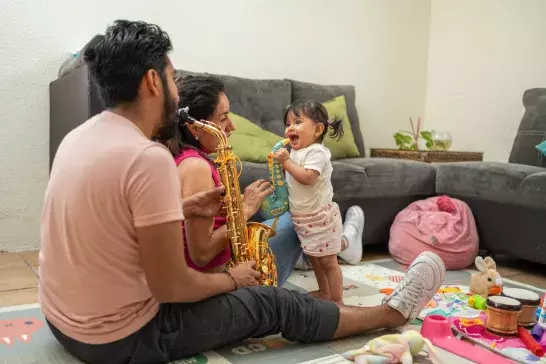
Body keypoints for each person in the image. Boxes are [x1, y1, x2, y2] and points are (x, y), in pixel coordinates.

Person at [39, 19, 447, 364]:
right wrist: (234, 280)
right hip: (119, 339)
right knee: (273, 301)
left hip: (62, 323)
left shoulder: (79, 138)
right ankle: (391, 314)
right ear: (151, 81)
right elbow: (171, 288)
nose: (175, 94)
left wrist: (181, 208)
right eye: (170, 78)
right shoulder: (147, 157)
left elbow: (108, 219)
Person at [158, 74, 364, 284]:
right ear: (195, 128)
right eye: (223, 118)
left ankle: (320, 252)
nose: (231, 127)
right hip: (224, 278)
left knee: (295, 220)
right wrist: (246, 209)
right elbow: (201, 255)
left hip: (225, 263)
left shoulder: (184, 158)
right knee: (297, 219)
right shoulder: (195, 167)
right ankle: (342, 244)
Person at [273, 100, 346, 303]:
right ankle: (325, 292)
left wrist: (286, 162)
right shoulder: (296, 151)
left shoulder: (317, 152)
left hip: (321, 218)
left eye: (297, 122)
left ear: (318, 129)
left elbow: (307, 178)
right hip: (303, 218)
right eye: (288, 124)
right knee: (314, 259)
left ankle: (338, 301)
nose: (290, 128)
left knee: (329, 262)